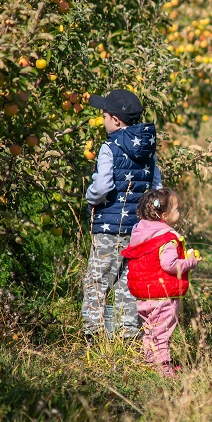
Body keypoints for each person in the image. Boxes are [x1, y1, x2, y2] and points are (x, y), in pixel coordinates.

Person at [82, 89, 161, 341]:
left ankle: (93, 333)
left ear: (116, 120)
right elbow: (156, 188)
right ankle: (127, 334)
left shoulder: (109, 147)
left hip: (108, 227)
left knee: (98, 280)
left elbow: (103, 186)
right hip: (138, 229)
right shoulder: (148, 149)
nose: (102, 120)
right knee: (127, 282)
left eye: (104, 115)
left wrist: (90, 197)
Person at [121, 188, 201, 378]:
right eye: (177, 209)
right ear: (164, 215)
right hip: (163, 294)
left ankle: (151, 363)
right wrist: (190, 262)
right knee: (162, 333)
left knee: (149, 330)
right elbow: (169, 264)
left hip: (143, 294)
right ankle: (164, 370)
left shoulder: (139, 232)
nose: (179, 212)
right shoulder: (167, 239)